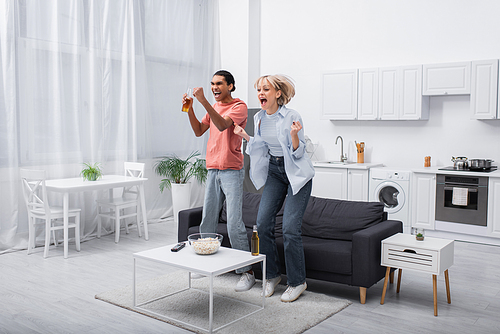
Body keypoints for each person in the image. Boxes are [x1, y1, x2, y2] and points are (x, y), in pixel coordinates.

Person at [234, 74, 314, 302]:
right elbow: (260, 146)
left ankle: (297, 282)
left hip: (297, 174)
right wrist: (246, 136)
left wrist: (294, 136)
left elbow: (299, 154)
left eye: (266, 89)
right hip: (275, 172)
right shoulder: (259, 117)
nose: (261, 93)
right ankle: (271, 276)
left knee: (289, 228)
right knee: (263, 224)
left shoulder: (291, 116)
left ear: (278, 93)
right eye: (259, 89)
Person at [183, 70, 255, 292]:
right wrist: (190, 109)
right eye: (212, 84)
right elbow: (198, 131)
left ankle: (247, 271)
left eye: (219, 84)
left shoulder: (239, 106)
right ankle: (206, 263)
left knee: (234, 223)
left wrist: (203, 101)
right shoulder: (212, 107)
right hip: (213, 169)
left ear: (230, 86)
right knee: (208, 220)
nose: (215, 87)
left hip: (232, 171)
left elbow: (223, 125)